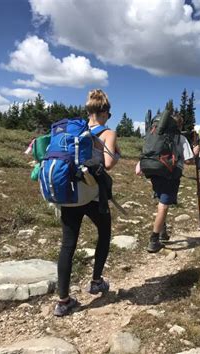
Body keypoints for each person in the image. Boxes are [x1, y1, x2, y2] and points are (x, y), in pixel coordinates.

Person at [54, 89, 120, 317]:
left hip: (68, 193)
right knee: (104, 233)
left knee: (67, 245)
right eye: (108, 114)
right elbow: (109, 164)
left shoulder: (73, 130)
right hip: (91, 195)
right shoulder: (107, 133)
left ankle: (63, 301)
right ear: (103, 112)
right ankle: (96, 281)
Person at [136, 112, 197, 253]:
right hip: (171, 174)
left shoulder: (154, 135)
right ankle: (154, 240)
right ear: (179, 125)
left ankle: (163, 232)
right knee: (163, 205)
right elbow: (188, 159)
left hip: (154, 171)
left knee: (161, 202)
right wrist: (195, 151)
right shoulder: (180, 138)